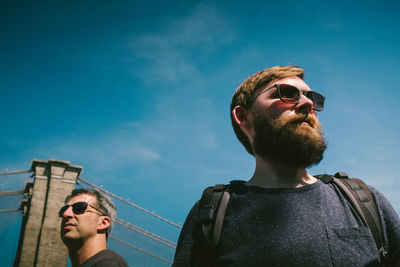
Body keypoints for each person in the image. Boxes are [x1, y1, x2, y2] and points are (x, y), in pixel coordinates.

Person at [173, 65, 400, 266]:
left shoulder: (364, 201)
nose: (308, 103)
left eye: (313, 98)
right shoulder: (212, 214)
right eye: (287, 93)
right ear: (243, 116)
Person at [59, 188, 129, 267]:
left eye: (79, 207)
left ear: (103, 223)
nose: (66, 214)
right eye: (63, 210)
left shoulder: (109, 264)